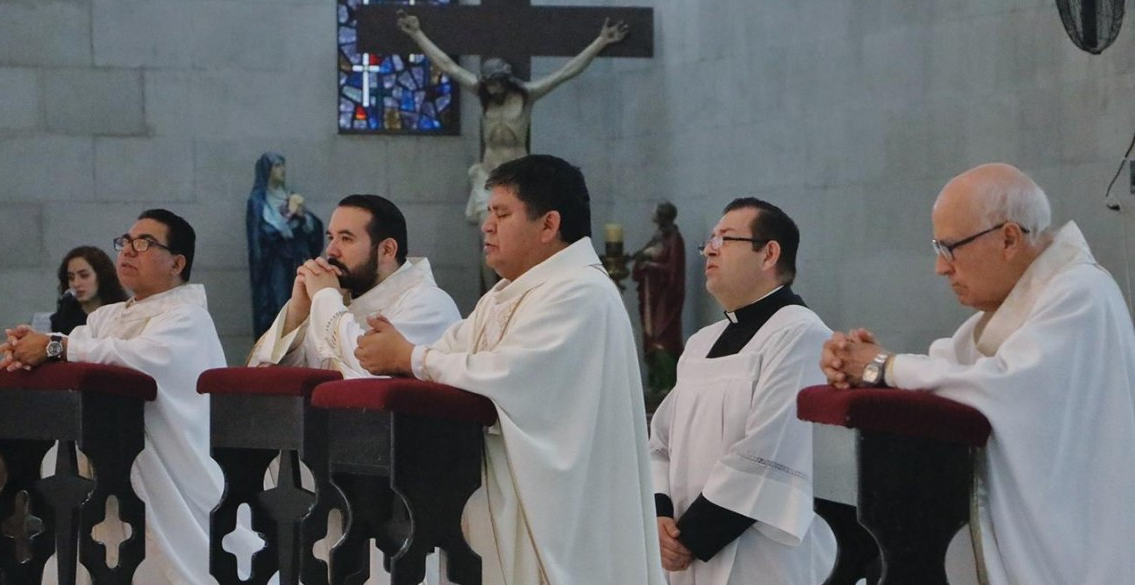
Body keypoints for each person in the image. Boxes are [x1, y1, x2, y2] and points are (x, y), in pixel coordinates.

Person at [352, 155, 665, 585]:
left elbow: (507, 375)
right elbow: (449, 352)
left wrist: (410, 357)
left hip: (561, 515)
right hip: (503, 499)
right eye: (488, 214)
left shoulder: (580, 293)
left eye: (501, 213)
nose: (487, 225)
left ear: (549, 225)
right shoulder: (507, 294)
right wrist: (402, 354)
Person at [819, 163, 1135, 585]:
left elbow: (1000, 388)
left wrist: (882, 366)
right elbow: (948, 369)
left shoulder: (1079, 294)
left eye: (949, 247)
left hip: (1075, 552)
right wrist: (868, 367)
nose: (941, 268)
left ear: (1008, 238)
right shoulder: (1020, 305)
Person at [0, 209, 257, 585]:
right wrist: (29, 350)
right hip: (98, 469)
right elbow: (82, 351)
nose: (128, 251)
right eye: (125, 242)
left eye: (144, 243)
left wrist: (55, 347)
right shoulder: (107, 317)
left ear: (177, 262)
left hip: (165, 472)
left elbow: (138, 358)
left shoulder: (188, 318)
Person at [650, 198, 835, 585]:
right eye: (710, 240)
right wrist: (660, 512)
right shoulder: (701, 342)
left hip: (758, 557)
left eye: (725, 238)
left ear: (769, 253)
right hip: (684, 553)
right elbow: (659, 441)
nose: (710, 249)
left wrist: (692, 537)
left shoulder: (800, 333)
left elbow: (769, 447)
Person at [396, 11, 629, 225]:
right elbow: (449, 67)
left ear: (505, 81)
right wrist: (417, 34)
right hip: (488, 176)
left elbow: (566, 72)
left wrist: (601, 41)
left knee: (517, 238)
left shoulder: (527, 95)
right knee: (488, 238)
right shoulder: (482, 94)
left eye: (496, 83)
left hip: (518, 178)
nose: (493, 89)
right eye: (489, 84)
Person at [249, 194, 460, 377]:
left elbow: (368, 377)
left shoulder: (428, 304)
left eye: (346, 239)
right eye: (331, 237)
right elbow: (264, 377)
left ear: (387, 250)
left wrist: (325, 296)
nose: (331, 250)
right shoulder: (335, 301)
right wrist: (297, 313)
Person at [247, 152, 324, 338]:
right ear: (267, 170)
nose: (282, 170)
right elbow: (258, 235)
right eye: (277, 166)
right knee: (278, 306)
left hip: (295, 261)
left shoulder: (289, 197)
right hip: (274, 267)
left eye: (283, 165)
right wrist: (281, 229)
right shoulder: (258, 201)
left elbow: (313, 227)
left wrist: (303, 220)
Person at [632, 200, 686, 393]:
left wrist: (650, 265)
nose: (653, 215)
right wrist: (641, 262)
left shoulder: (674, 239)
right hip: (651, 297)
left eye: (655, 212)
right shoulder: (658, 237)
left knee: (664, 335)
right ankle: (655, 381)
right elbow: (641, 260)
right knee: (650, 336)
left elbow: (674, 269)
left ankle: (667, 382)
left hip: (666, 297)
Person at [50, 245, 128, 334]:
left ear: (101, 276)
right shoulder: (63, 317)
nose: (76, 283)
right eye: (71, 278)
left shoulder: (122, 312)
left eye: (84, 276)